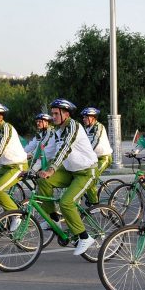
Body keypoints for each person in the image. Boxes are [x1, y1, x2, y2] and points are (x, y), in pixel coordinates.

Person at [35, 98, 100, 256]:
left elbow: (65, 149)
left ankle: (84, 237)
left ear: (66, 114)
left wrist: (51, 169)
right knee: (42, 180)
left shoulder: (74, 126)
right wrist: (31, 169)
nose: (53, 117)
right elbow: (48, 151)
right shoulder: (57, 131)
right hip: (71, 171)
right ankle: (53, 219)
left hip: (86, 171)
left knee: (66, 202)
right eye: (52, 114)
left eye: (56, 114)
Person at [80, 107, 112, 204]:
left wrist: (85, 153)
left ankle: (95, 205)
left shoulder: (99, 127)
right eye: (83, 117)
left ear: (93, 118)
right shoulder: (85, 129)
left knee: (91, 177)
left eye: (86, 117)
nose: (83, 119)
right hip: (92, 158)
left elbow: (95, 142)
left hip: (104, 157)